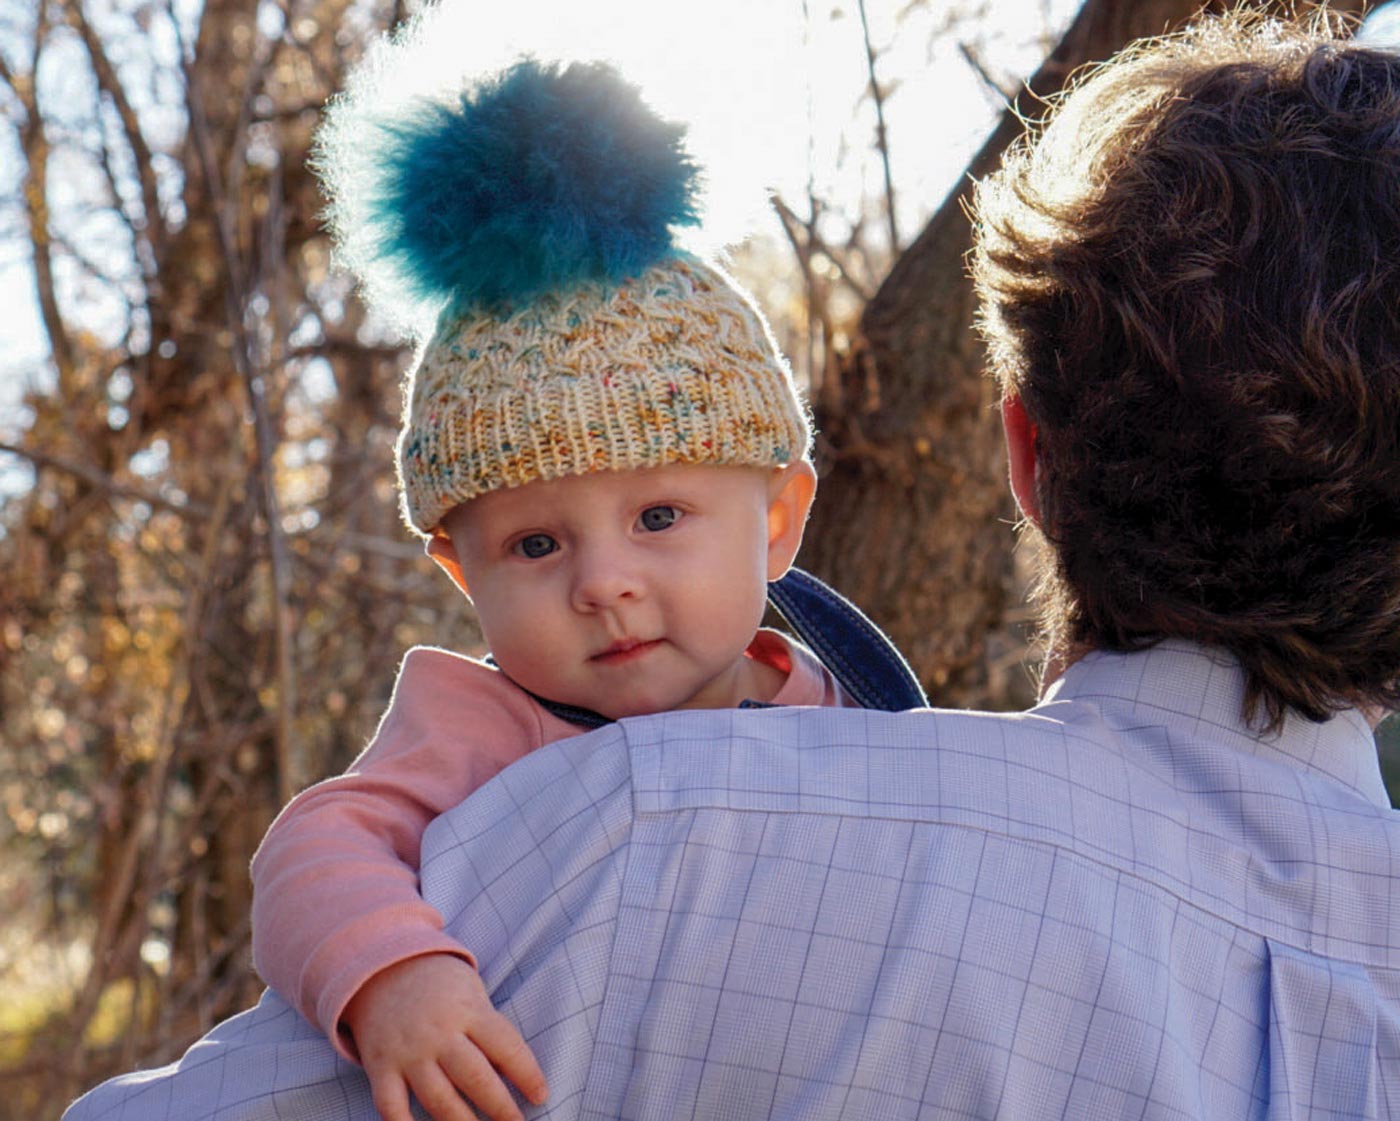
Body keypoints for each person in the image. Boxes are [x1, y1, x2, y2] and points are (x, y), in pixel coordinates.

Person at [64, 8, 1400, 1121]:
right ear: (458, 567)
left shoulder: (670, 823)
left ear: (1025, 458)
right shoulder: (498, 731)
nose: (602, 582)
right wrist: (392, 977)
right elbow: (328, 845)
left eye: (659, 517)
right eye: (535, 541)